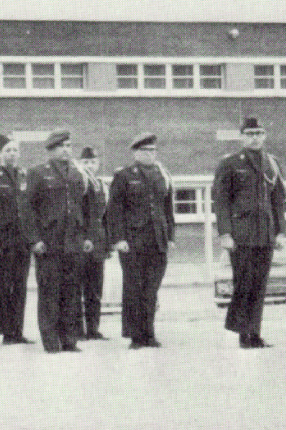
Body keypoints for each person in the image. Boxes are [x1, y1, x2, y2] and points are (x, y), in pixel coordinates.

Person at [213, 117, 286, 349]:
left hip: (265, 234)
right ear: (242, 137)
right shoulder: (231, 163)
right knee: (244, 283)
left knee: (259, 285)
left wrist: (280, 231)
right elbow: (221, 201)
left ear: (264, 136)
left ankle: (254, 333)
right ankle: (243, 333)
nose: (255, 137)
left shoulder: (272, 163)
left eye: (259, 133)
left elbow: (278, 201)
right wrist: (224, 233)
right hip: (240, 235)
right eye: (250, 133)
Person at [22, 129, 94, 353]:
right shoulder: (38, 173)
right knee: (50, 293)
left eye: (69, 146)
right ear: (51, 150)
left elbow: (88, 208)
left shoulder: (77, 174)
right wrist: (34, 240)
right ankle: (51, 341)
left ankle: (70, 339)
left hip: (73, 242)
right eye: (62, 146)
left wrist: (88, 236)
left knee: (72, 293)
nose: (67, 150)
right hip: (49, 243)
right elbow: (27, 210)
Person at [107, 133, 174, 349]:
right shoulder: (125, 176)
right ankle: (135, 336)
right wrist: (118, 239)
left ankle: (149, 333)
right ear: (135, 153)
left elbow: (168, 210)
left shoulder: (162, 175)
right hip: (133, 241)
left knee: (151, 289)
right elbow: (114, 211)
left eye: (153, 150)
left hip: (157, 240)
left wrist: (170, 236)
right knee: (134, 288)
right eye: (145, 150)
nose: (149, 154)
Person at [0, 134, 34, 344]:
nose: (12, 154)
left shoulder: (25, 176)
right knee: (4, 286)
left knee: (21, 285)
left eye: (15, 150)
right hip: (3, 241)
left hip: (22, 240)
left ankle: (18, 330)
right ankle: (6, 332)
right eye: (8, 150)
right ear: (0, 154)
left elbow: (30, 207)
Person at [76, 146, 111, 340]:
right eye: (86, 162)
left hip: (98, 244)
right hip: (81, 243)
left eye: (93, 162)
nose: (90, 165)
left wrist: (108, 244)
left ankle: (93, 328)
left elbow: (106, 217)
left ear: (98, 164)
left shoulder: (102, 185)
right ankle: (77, 330)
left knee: (95, 289)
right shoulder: (78, 183)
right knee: (77, 288)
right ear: (80, 164)